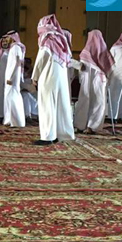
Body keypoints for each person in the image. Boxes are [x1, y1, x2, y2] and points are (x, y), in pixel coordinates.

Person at [31, 14, 75, 145]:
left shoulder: (48, 39)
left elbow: (41, 59)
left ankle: (48, 136)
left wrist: (35, 76)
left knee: (47, 105)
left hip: (48, 76)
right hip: (61, 77)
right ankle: (62, 134)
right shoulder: (61, 40)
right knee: (61, 105)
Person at [73, 29, 114, 134]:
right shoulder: (102, 53)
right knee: (94, 101)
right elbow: (110, 70)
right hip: (96, 82)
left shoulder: (86, 53)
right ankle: (86, 125)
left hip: (92, 81)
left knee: (90, 101)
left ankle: (86, 126)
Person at [3, 32, 26, 128]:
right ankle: (9, 119)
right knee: (9, 97)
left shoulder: (16, 47)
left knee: (13, 96)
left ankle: (17, 121)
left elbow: (17, 62)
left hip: (12, 76)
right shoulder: (13, 48)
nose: (6, 39)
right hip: (11, 75)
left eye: (8, 37)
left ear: (12, 38)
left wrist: (10, 77)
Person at [0, 31, 13, 120]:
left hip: (8, 78)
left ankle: (6, 115)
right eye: (3, 41)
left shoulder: (11, 52)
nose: (5, 43)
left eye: (6, 41)